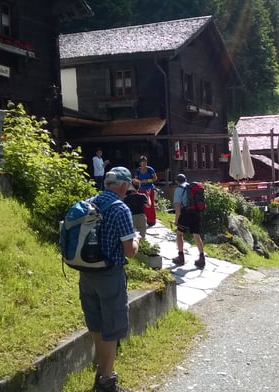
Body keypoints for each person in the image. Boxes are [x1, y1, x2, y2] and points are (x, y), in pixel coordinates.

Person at [80, 166, 139, 392]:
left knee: (96, 325)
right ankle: (107, 380)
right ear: (123, 185)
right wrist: (137, 239)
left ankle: (102, 373)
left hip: (86, 273)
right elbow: (129, 252)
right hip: (109, 275)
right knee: (112, 327)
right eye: (127, 187)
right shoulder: (120, 209)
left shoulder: (88, 203)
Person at [171, 173, 206, 269]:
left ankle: (181, 257)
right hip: (196, 213)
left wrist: (176, 220)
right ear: (186, 179)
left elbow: (178, 207)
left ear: (177, 181)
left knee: (179, 234)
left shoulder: (178, 189)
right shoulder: (191, 187)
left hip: (185, 214)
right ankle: (202, 258)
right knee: (196, 235)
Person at [133, 155, 158, 226]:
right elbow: (135, 180)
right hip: (141, 190)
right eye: (143, 163)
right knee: (143, 206)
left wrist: (147, 180)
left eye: (145, 162)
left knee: (151, 205)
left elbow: (155, 178)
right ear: (140, 163)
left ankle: (152, 220)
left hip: (150, 189)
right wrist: (140, 181)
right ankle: (145, 220)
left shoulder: (150, 169)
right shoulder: (137, 171)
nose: (144, 164)